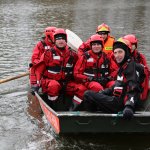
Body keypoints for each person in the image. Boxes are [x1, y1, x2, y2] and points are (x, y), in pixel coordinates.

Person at [83, 37, 145, 119]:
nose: (117, 55)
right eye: (115, 53)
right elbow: (118, 85)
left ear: (126, 53)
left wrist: (129, 106)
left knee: (88, 94)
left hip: (121, 104)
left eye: (120, 52)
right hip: (117, 100)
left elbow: (133, 89)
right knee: (93, 94)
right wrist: (104, 92)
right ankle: (98, 112)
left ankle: (94, 118)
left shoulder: (131, 67)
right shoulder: (123, 66)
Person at [30, 28, 78, 107]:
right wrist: (34, 84)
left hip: (67, 82)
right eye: (58, 39)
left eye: (63, 38)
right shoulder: (47, 54)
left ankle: (73, 108)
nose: (61, 41)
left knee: (81, 89)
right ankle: (52, 105)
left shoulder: (73, 54)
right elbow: (37, 70)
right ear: (55, 41)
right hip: (50, 81)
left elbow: (79, 70)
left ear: (66, 40)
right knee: (54, 86)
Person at [71, 34, 116, 111]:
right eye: (94, 44)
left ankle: (115, 105)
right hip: (89, 81)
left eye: (98, 44)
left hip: (104, 80)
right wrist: (89, 78)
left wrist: (108, 78)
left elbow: (115, 70)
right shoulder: (84, 57)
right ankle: (103, 107)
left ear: (102, 46)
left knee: (115, 85)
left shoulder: (106, 57)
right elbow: (76, 74)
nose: (96, 46)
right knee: (97, 87)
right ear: (91, 46)